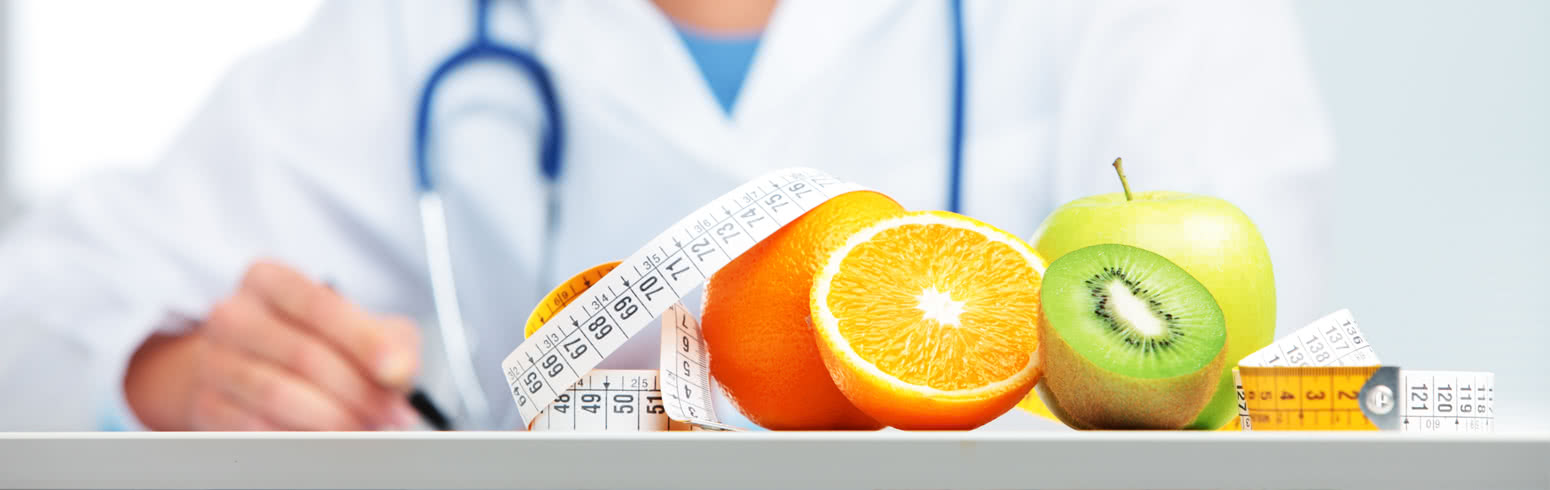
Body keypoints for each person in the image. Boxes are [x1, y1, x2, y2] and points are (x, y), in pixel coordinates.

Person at [0, 0, 1332, 431]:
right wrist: (165, 371)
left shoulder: (1158, 22)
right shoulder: (425, 31)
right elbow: (45, 294)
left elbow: (1272, 392)